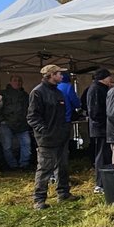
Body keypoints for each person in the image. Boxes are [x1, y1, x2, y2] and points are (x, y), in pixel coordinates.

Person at [26, 64, 78, 209]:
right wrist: (44, 130)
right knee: (45, 168)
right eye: (59, 73)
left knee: (63, 166)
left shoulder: (58, 92)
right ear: (51, 75)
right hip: (47, 138)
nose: (62, 76)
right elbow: (32, 117)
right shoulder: (38, 92)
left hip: (61, 135)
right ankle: (39, 200)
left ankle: (64, 193)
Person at [84, 68, 114, 193]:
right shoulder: (96, 89)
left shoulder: (99, 88)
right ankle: (100, 184)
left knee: (105, 155)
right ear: (104, 78)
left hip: (101, 127)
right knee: (102, 155)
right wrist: (105, 122)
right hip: (100, 128)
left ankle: (104, 182)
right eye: (109, 77)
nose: (111, 79)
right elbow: (95, 111)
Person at [0, 74, 30, 171]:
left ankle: (24, 165)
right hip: (6, 123)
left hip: (22, 124)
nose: (17, 82)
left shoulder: (25, 95)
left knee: (26, 144)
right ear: (10, 82)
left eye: (19, 80)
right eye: (15, 80)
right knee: (7, 146)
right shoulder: (3, 94)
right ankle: (13, 165)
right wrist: (2, 120)